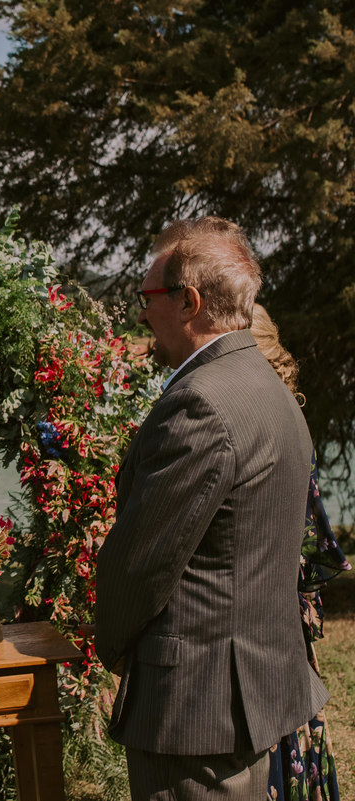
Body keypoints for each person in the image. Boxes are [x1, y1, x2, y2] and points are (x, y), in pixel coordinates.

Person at [94, 218, 325, 800]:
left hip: (196, 709)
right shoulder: (266, 385)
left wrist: (109, 646)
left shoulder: (201, 401)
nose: (141, 314)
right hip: (249, 692)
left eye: (147, 297)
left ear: (189, 301)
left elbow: (143, 562)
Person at [250, 304, 348, 801]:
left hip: (267, 617)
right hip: (285, 614)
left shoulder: (261, 428)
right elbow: (318, 546)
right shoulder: (293, 426)